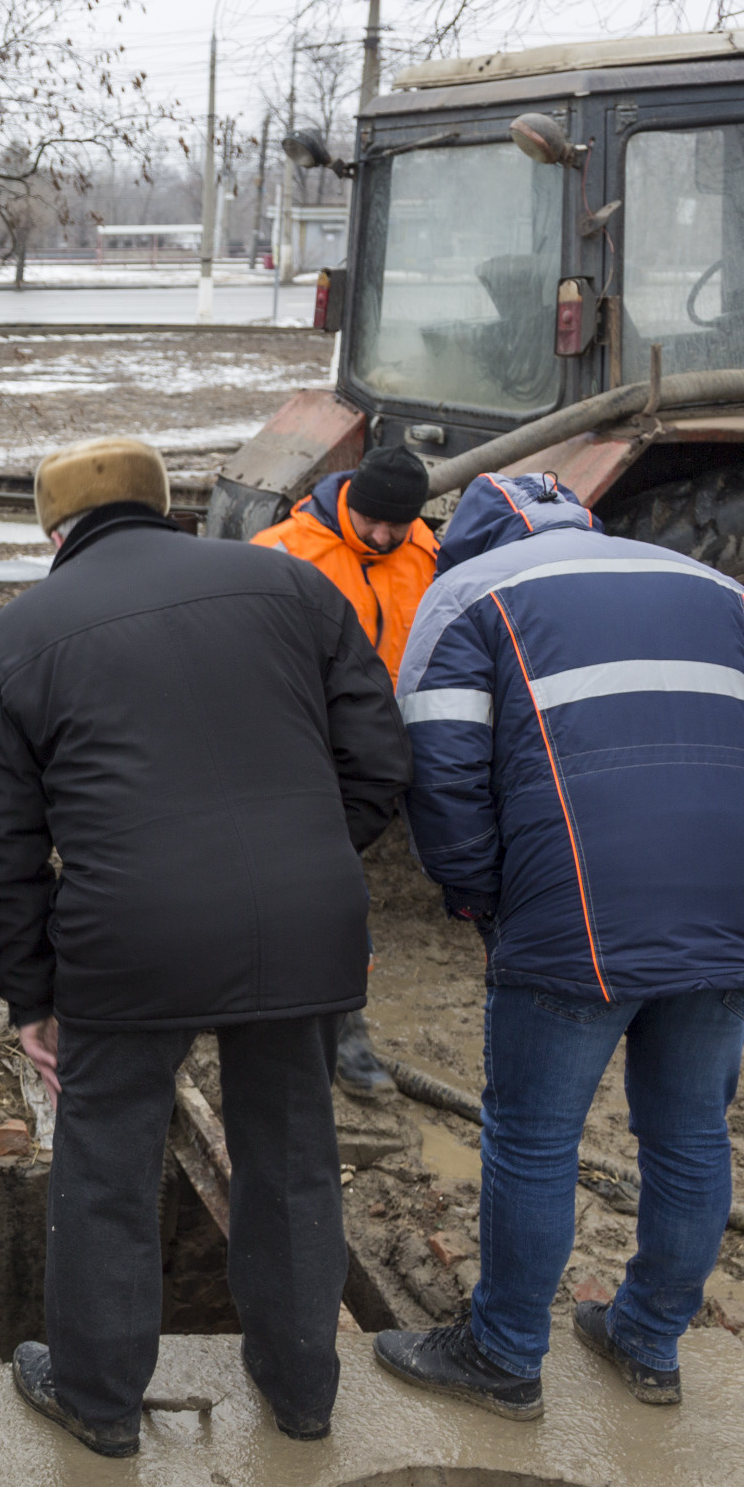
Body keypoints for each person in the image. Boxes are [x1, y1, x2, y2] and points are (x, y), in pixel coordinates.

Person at [0, 437, 410, 1456]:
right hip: (303, 924)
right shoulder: (291, 584)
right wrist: (307, 859)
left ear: (55, 530)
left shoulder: (18, 640)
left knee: (108, 1163)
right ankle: (303, 1392)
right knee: (294, 1151)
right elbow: (383, 760)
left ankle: (100, 1398)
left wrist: (31, 994)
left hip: (132, 934)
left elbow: (1, 843)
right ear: (170, 508)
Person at [372, 474, 744, 1419]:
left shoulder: (469, 595)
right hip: (732, 908)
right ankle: (649, 1341)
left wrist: (484, 898)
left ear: (472, 541)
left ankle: (502, 1354)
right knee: (690, 1133)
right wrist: (733, 861)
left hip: (572, 908)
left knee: (534, 1139)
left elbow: (442, 771)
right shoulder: (716, 587)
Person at [251, 444, 445, 1097]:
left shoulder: (425, 551)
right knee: (334, 884)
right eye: (374, 522)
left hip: (393, 742)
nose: (384, 536)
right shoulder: (281, 552)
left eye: (399, 524)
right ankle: (344, 1028)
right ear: (349, 499)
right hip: (312, 747)